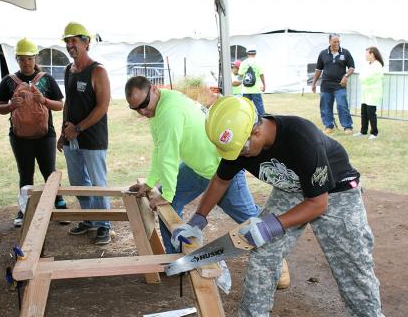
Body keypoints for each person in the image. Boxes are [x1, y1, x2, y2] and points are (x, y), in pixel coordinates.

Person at [173, 96, 383, 316]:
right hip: (291, 190)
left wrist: (271, 225)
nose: (238, 156)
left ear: (256, 131)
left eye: (241, 150)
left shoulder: (302, 138)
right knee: (263, 254)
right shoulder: (239, 145)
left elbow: (318, 204)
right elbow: (221, 179)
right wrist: (198, 219)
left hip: (336, 193)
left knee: (352, 268)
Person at [125, 76, 291, 289]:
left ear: (154, 89)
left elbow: (168, 155)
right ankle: (178, 260)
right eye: (135, 109)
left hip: (221, 169)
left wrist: (164, 194)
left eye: (143, 105)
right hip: (198, 168)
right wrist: (150, 183)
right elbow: (159, 147)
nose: (142, 112)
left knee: (249, 218)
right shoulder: (158, 106)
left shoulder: (169, 111)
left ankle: (279, 259)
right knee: (170, 200)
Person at [0, 37, 68, 228]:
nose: (27, 62)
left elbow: (60, 105)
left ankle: (58, 203)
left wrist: (43, 100)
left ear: (35, 58)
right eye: (22, 58)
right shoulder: (8, 81)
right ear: (17, 59)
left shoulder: (46, 79)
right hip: (19, 137)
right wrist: (11, 105)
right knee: (25, 173)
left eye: (30, 58)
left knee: (49, 172)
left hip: (45, 135)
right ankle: (24, 208)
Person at [57, 22, 113, 245]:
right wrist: (64, 132)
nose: (70, 45)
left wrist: (78, 128)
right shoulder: (68, 70)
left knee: (98, 182)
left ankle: (104, 224)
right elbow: (69, 104)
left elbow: (103, 106)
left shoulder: (97, 71)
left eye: (74, 40)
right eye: (67, 41)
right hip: (71, 137)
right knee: (79, 181)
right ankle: (90, 219)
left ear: (86, 42)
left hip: (92, 138)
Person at [312, 33, 355, 134]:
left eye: (338, 41)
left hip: (340, 85)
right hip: (326, 85)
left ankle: (347, 127)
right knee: (325, 106)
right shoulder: (323, 53)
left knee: (342, 105)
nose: (337, 43)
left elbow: (352, 68)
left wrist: (346, 76)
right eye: (334, 41)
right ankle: (328, 125)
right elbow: (318, 69)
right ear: (329, 41)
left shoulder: (345, 52)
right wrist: (313, 83)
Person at [354, 47, 384, 140]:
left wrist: (364, 78)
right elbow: (362, 75)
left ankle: (374, 132)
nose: (365, 56)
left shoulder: (377, 65)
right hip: (366, 92)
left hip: (373, 92)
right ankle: (363, 131)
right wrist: (363, 78)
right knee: (364, 112)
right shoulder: (368, 64)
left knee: (371, 113)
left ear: (372, 54)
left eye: (367, 53)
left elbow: (370, 77)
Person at [238, 44, 266, 115]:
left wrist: (239, 82)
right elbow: (261, 75)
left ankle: (247, 122)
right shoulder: (258, 62)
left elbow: (240, 75)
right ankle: (263, 120)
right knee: (260, 108)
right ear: (255, 53)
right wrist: (264, 85)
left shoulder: (243, 63)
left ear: (247, 53)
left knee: (246, 108)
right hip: (256, 89)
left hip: (245, 89)